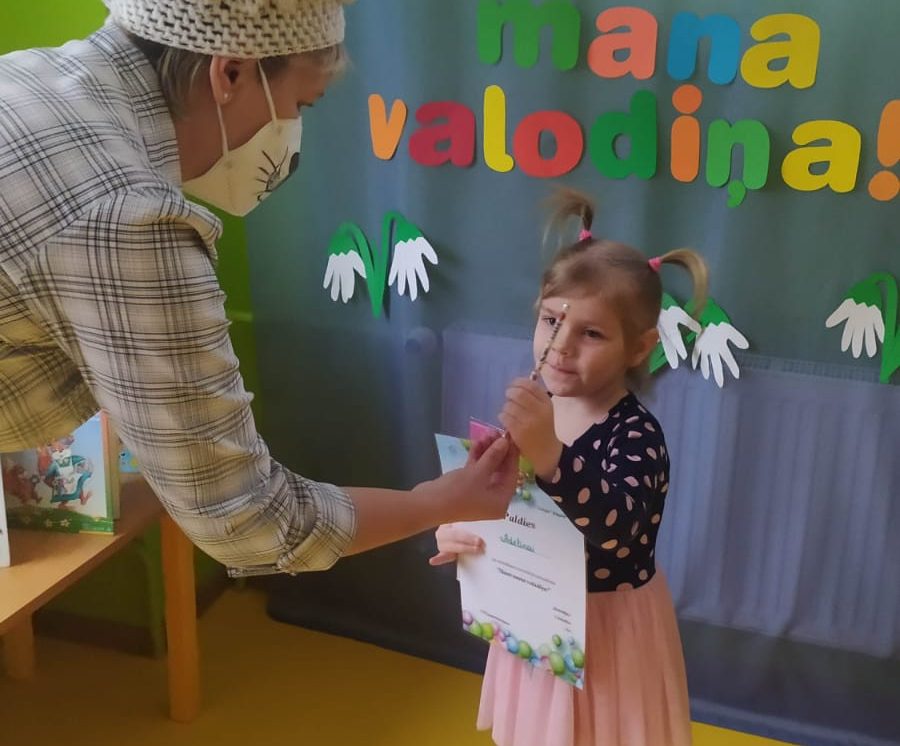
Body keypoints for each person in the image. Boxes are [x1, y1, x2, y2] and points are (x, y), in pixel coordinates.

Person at [0, 0, 519, 578]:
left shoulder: (26, 76)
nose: (291, 140)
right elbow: (248, 522)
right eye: (299, 106)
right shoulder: (127, 219)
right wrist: (437, 501)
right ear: (230, 71)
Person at [431, 189, 706, 746]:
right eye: (551, 319)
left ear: (639, 348)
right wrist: (460, 529)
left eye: (592, 332)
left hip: (607, 631)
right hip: (536, 620)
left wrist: (552, 456)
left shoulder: (636, 434)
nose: (559, 346)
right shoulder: (539, 413)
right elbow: (502, 502)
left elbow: (619, 530)